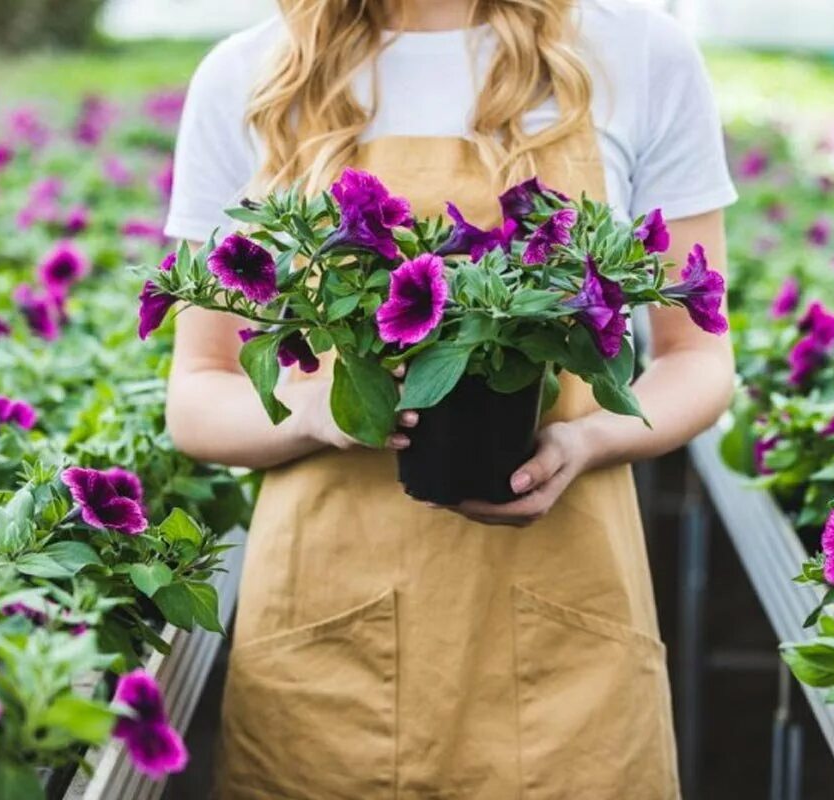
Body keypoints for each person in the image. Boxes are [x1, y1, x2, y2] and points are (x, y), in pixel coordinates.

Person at [163, 0, 736, 796]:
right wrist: (318, 413)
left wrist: (590, 440)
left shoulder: (636, 53)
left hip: (565, 640)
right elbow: (197, 392)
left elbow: (697, 358)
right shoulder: (251, 74)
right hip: (328, 645)